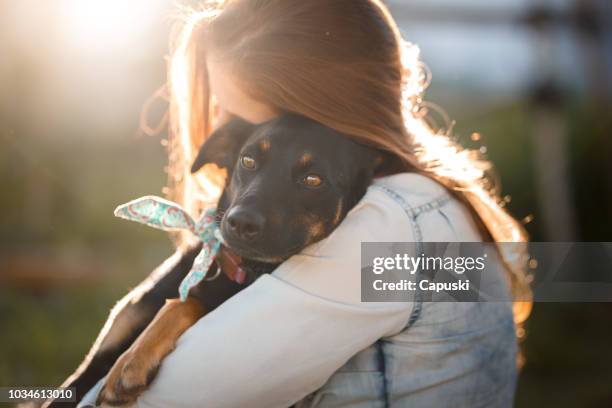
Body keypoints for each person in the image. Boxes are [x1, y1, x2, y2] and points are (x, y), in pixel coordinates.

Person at [83, 0, 533, 406]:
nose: (221, 126)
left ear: (314, 110)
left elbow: (155, 402)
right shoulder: (428, 201)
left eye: (236, 112)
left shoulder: (375, 239)